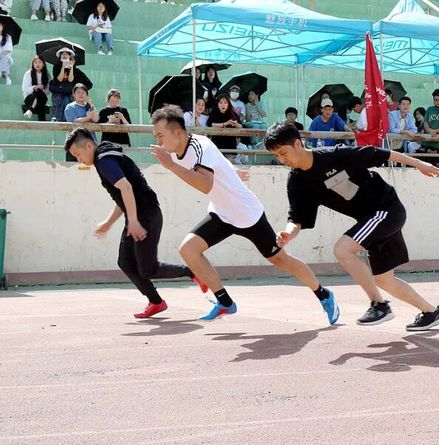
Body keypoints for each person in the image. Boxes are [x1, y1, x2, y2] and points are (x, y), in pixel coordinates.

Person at [149, 105, 340, 323]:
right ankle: (224, 302)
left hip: (246, 213)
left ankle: (324, 294)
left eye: (160, 135)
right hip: (222, 213)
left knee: (280, 259)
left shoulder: (199, 146)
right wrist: (232, 171)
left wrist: (171, 166)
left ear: (177, 132)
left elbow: (205, 184)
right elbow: (218, 161)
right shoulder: (175, 154)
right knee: (188, 249)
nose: (158, 141)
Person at [264, 121, 439, 330]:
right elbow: (296, 219)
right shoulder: (297, 182)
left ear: (297, 144)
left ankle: (378, 304)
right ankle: (431, 312)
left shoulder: (334, 156)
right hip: (371, 221)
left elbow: (381, 153)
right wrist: (288, 234)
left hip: (386, 209)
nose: (281, 159)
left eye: (283, 153)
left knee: (342, 250)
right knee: (383, 279)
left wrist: (419, 164)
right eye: (276, 155)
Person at [63, 128, 207, 319]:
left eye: (77, 154)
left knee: (148, 269)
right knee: (126, 262)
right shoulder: (105, 157)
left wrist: (132, 221)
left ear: (89, 145)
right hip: (140, 216)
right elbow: (123, 195)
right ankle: (156, 302)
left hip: (145, 216)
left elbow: (126, 187)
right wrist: (109, 222)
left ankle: (193, 272)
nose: (78, 159)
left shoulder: (104, 160)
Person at [206, 94, 243, 161]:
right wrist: (226, 123)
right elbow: (212, 124)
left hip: (230, 145)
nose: (223, 105)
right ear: (217, 104)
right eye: (220, 103)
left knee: (229, 164)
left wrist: (235, 124)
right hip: (217, 145)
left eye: (225, 103)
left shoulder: (232, 113)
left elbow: (240, 126)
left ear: (228, 104)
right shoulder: (214, 112)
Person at [22, 55, 50, 121]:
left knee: (40, 93)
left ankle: (30, 110)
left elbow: (49, 90)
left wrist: (42, 88)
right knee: (38, 94)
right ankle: (42, 121)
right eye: (35, 62)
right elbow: (24, 88)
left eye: (40, 62)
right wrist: (34, 87)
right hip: (29, 98)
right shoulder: (28, 73)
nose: (37, 64)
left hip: (42, 97)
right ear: (33, 64)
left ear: (43, 64)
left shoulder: (47, 75)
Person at [0, 20, 13, 85]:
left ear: (3, 26)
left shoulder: (8, 37)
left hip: (6, 58)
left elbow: (8, 50)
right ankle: (7, 77)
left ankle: (6, 77)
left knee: (3, 59)